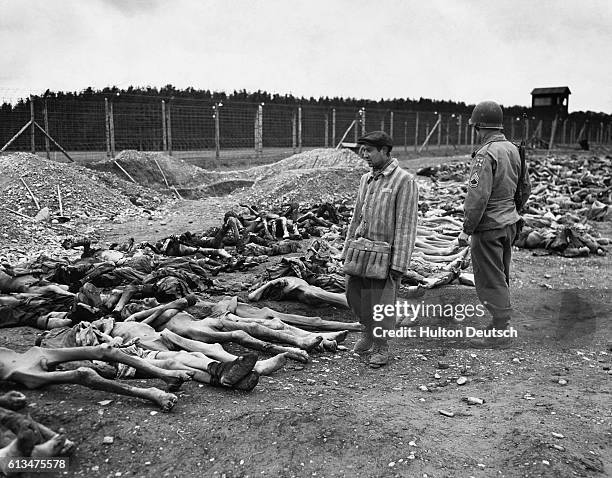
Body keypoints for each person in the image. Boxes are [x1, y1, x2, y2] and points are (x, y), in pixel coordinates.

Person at [342, 131, 419, 367]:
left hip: (384, 256)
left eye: (369, 150)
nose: (364, 155)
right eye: (362, 150)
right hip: (360, 252)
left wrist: (399, 264)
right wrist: (346, 251)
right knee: (354, 295)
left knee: (381, 302)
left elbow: (406, 225)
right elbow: (356, 217)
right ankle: (368, 331)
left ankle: (382, 345)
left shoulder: (404, 181)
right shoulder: (366, 179)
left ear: (385, 150)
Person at [457, 101, 531, 345]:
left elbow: (477, 197)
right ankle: (500, 323)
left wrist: (467, 229)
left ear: (479, 126)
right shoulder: (513, 149)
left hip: (488, 226)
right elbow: (525, 188)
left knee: (489, 278)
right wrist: (513, 211)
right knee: (500, 274)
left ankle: (500, 330)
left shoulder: (485, 154)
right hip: (509, 222)